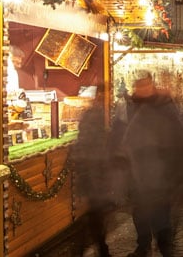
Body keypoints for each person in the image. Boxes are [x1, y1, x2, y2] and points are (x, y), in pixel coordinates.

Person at [121, 71, 183, 257]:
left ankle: (165, 247)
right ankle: (143, 245)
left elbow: (179, 135)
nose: (142, 88)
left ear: (151, 85)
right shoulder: (130, 105)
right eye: (139, 85)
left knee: (161, 211)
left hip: (161, 167)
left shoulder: (164, 106)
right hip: (137, 168)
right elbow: (123, 133)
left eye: (145, 85)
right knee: (139, 210)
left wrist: (179, 167)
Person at [71, 94, 122, 257]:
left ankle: (94, 248)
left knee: (95, 214)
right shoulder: (98, 125)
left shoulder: (91, 123)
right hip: (94, 178)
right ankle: (95, 248)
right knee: (96, 214)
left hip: (93, 177)